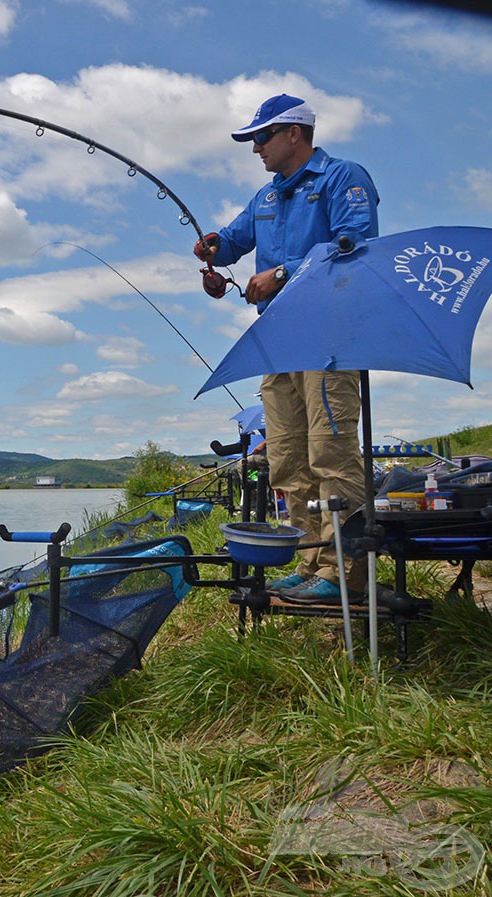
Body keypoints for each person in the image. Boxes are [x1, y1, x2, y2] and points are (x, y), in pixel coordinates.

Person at [194, 94, 380, 604]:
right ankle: (310, 562)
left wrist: (280, 273)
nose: (255, 148)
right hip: (277, 342)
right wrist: (212, 251)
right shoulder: (266, 197)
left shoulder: (344, 178)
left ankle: (347, 575)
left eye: (261, 138)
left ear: (293, 133)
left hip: (328, 338)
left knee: (332, 454)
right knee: (287, 461)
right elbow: (231, 241)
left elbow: (355, 249)